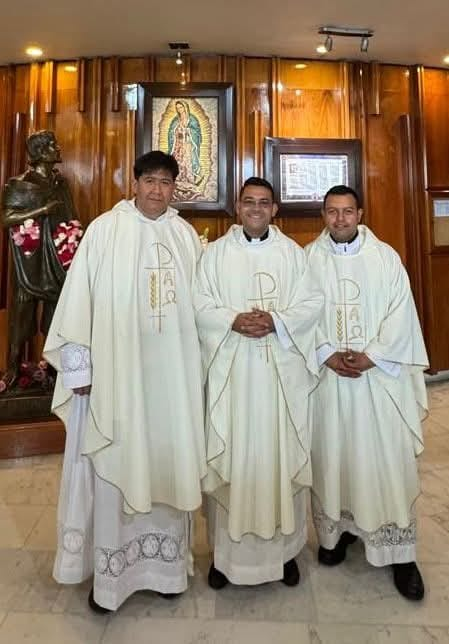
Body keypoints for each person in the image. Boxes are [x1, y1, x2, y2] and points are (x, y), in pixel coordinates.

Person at [43, 151, 206, 612]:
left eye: (166, 182)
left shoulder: (185, 237)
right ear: (134, 184)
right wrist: (79, 368)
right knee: (117, 459)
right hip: (118, 379)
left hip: (173, 382)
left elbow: (204, 308)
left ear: (174, 188)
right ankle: (111, 580)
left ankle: (166, 571)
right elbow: (78, 299)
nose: (157, 190)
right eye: (149, 180)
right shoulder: (105, 230)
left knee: (166, 463)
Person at [194, 177, 323, 589]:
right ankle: (224, 559)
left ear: (274, 210)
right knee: (233, 458)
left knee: (278, 457)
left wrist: (276, 321)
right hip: (232, 376)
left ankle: (284, 556)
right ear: (238, 207)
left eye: (264, 202)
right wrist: (232, 319)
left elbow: (312, 303)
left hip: (279, 379)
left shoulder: (293, 254)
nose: (255, 208)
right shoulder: (214, 254)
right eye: (249, 201)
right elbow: (199, 303)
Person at [306, 184, 429, 601]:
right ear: (323, 215)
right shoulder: (309, 260)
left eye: (347, 211)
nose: (340, 219)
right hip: (330, 380)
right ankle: (341, 532)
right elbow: (301, 315)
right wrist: (325, 353)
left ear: (360, 214)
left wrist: (372, 355)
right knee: (335, 457)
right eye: (332, 211)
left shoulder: (385, 258)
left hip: (379, 381)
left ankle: (401, 554)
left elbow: (401, 313)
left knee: (386, 462)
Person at [1, 131, 77, 388]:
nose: (58, 147)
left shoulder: (60, 184)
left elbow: (70, 217)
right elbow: (6, 218)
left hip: (57, 257)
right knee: (22, 313)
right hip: (29, 260)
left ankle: (53, 370)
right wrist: (42, 210)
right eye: (53, 145)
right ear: (40, 152)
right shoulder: (20, 183)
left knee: (56, 314)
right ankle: (12, 368)